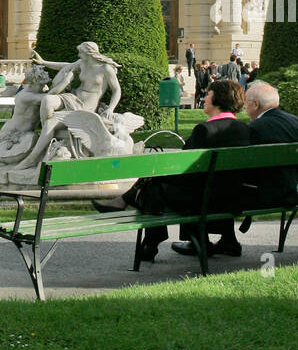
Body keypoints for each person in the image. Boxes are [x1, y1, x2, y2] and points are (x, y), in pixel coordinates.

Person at [93, 79, 250, 261]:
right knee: (155, 182)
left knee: (154, 186)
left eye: (208, 94)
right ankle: (144, 227)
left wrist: (157, 175)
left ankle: (150, 236)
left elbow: (185, 170)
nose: (205, 98)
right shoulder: (243, 129)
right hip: (232, 197)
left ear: (217, 99)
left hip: (204, 199)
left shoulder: (205, 130)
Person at [240, 81, 298, 214]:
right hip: (294, 188)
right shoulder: (297, 122)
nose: (244, 106)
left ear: (255, 104)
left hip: (264, 194)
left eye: (246, 103)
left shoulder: (255, 128)